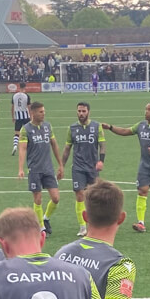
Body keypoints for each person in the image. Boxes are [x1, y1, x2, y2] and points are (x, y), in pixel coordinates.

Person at [103, 102, 150, 233]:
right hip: (144, 166)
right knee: (142, 191)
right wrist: (111, 127)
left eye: (149, 110)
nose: (146, 111)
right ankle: (141, 223)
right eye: (145, 109)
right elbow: (125, 131)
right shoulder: (141, 126)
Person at [17, 101, 64, 236]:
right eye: (41, 112)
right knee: (37, 198)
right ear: (33, 113)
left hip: (48, 168)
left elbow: (54, 145)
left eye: (44, 111)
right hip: (35, 169)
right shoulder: (26, 129)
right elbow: (22, 149)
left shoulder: (48, 127)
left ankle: (45, 218)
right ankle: (41, 227)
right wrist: (21, 168)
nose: (44, 114)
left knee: (56, 198)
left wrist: (60, 164)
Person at [60, 102, 105, 237]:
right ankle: (82, 227)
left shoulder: (97, 127)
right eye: (79, 111)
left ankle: (94, 225)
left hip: (92, 167)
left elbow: (102, 145)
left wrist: (101, 160)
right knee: (79, 194)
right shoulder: (72, 128)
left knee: (92, 197)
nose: (81, 114)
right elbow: (67, 148)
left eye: (83, 111)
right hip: (78, 167)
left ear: (88, 112)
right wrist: (62, 165)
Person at [10, 89, 31, 156]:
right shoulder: (26, 95)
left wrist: (13, 117)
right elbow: (29, 107)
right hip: (26, 116)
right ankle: (29, 148)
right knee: (28, 132)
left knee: (17, 133)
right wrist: (31, 116)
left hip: (18, 116)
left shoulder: (14, 96)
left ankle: (15, 146)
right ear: (24, 88)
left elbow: (12, 107)